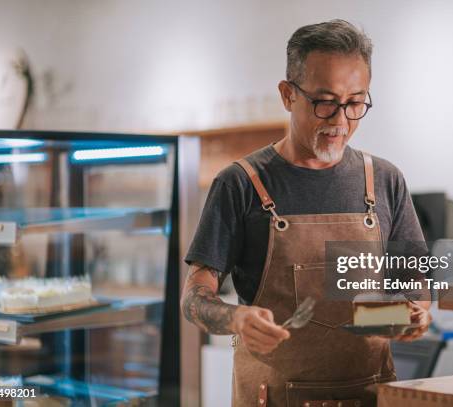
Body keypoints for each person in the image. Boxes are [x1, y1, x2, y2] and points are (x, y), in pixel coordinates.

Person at [181, 19, 432, 406]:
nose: (340, 121)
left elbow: (414, 280)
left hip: (369, 395)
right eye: (325, 102)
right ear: (287, 94)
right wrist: (235, 319)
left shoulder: (384, 180)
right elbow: (193, 299)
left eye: (355, 103)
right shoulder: (241, 183)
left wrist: (413, 312)